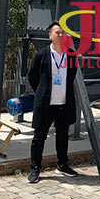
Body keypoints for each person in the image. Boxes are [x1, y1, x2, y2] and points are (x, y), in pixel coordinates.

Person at [27, 21, 78, 183]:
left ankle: (62, 164)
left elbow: (72, 75)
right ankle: (35, 168)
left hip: (63, 103)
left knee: (63, 135)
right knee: (39, 137)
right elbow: (32, 77)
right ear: (50, 35)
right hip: (45, 104)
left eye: (63, 33)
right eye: (58, 32)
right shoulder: (41, 55)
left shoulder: (71, 55)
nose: (61, 35)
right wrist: (42, 91)